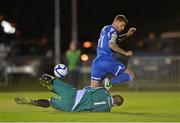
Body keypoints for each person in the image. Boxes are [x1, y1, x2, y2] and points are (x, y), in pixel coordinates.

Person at [14, 74, 124, 112]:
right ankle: (31, 102)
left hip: (73, 94)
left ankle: (50, 85)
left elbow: (90, 88)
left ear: (113, 96)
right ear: (115, 105)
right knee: (50, 102)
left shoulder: (104, 91)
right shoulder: (106, 110)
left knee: (48, 78)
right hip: (71, 108)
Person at [91, 15, 136, 89]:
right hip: (107, 60)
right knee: (130, 74)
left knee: (93, 90)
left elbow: (115, 39)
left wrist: (127, 35)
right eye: (122, 25)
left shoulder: (106, 28)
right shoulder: (113, 31)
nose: (123, 28)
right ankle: (109, 84)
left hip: (97, 62)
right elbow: (112, 45)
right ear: (116, 21)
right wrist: (125, 52)